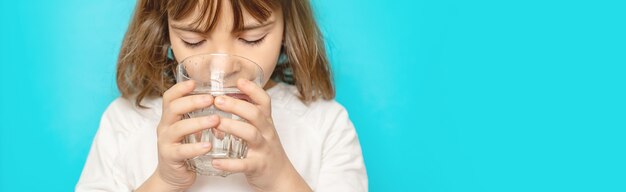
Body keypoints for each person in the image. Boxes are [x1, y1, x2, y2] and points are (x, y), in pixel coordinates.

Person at [76, 0, 367, 191]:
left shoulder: (325, 125)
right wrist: (163, 181)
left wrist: (280, 178)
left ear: (287, 25)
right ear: (163, 30)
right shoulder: (126, 124)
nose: (222, 66)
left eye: (252, 39)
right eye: (194, 40)